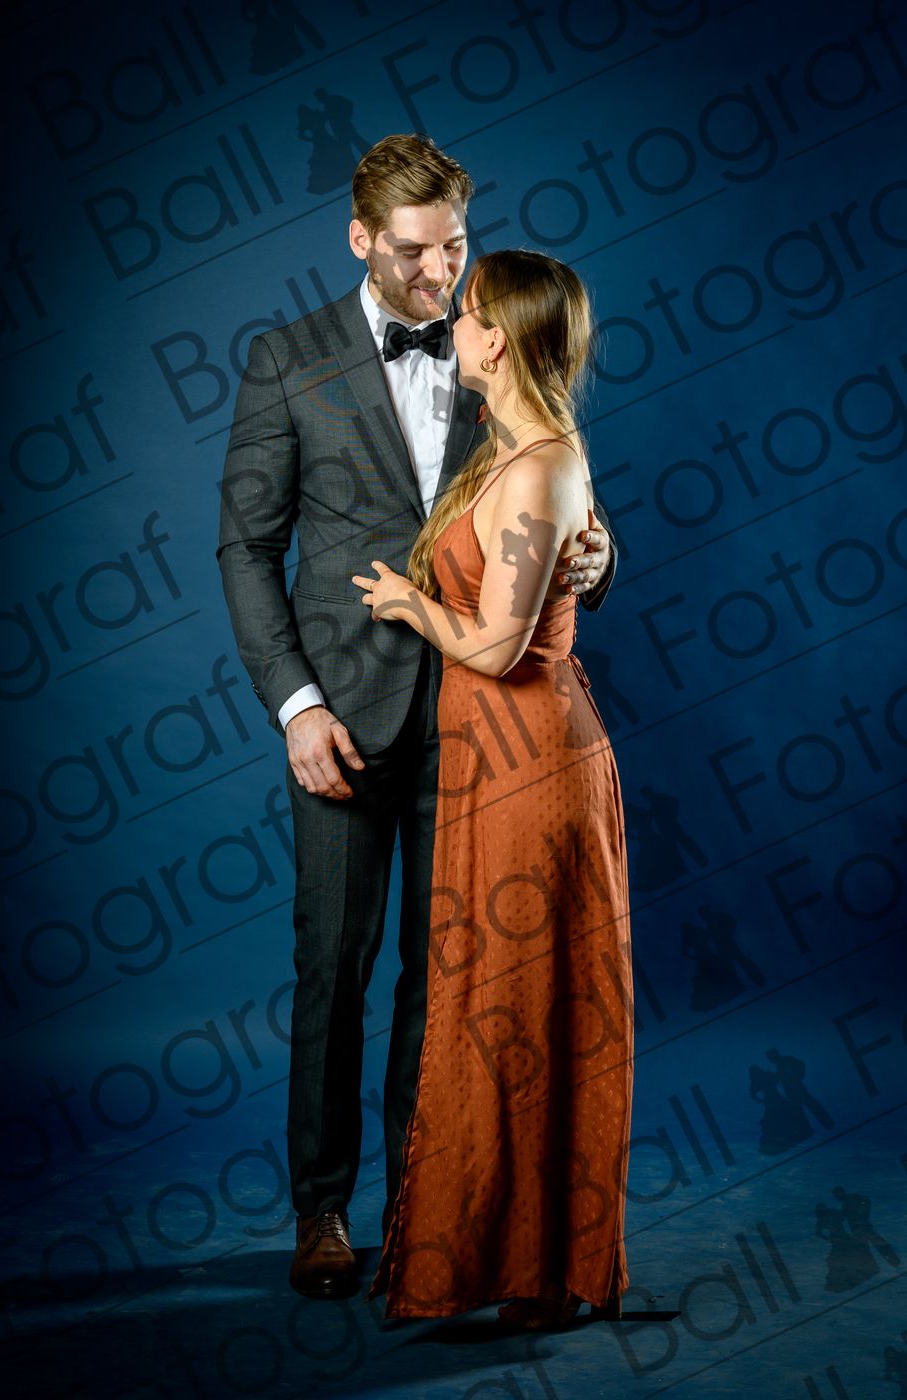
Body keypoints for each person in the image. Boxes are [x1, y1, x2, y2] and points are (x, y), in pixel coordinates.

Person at [217, 135, 617, 1302]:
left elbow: (549, 491)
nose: (442, 275)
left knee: (449, 979)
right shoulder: (287, 360)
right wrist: (295, 706)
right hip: (341, 718)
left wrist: (598, 559)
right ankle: (323, 1210)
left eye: (456, 247)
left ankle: (425, 1209)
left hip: (482, 730)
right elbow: (246, 548)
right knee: (334, 966)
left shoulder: (495, 342)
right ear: (360, 241)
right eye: (414, 253)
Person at [352, 249, 633, 1328]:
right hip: (490, 762)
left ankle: (540, 1266)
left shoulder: (536, 464)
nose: (452, 321)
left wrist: (409, 606)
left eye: (467, 310)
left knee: (524, 1006)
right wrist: (594, 554)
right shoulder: (507, 447)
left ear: (499, 339)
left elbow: (500, 643)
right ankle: (508, 1256)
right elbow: (558, 551)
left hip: (533, 767)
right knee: (496, 1004)